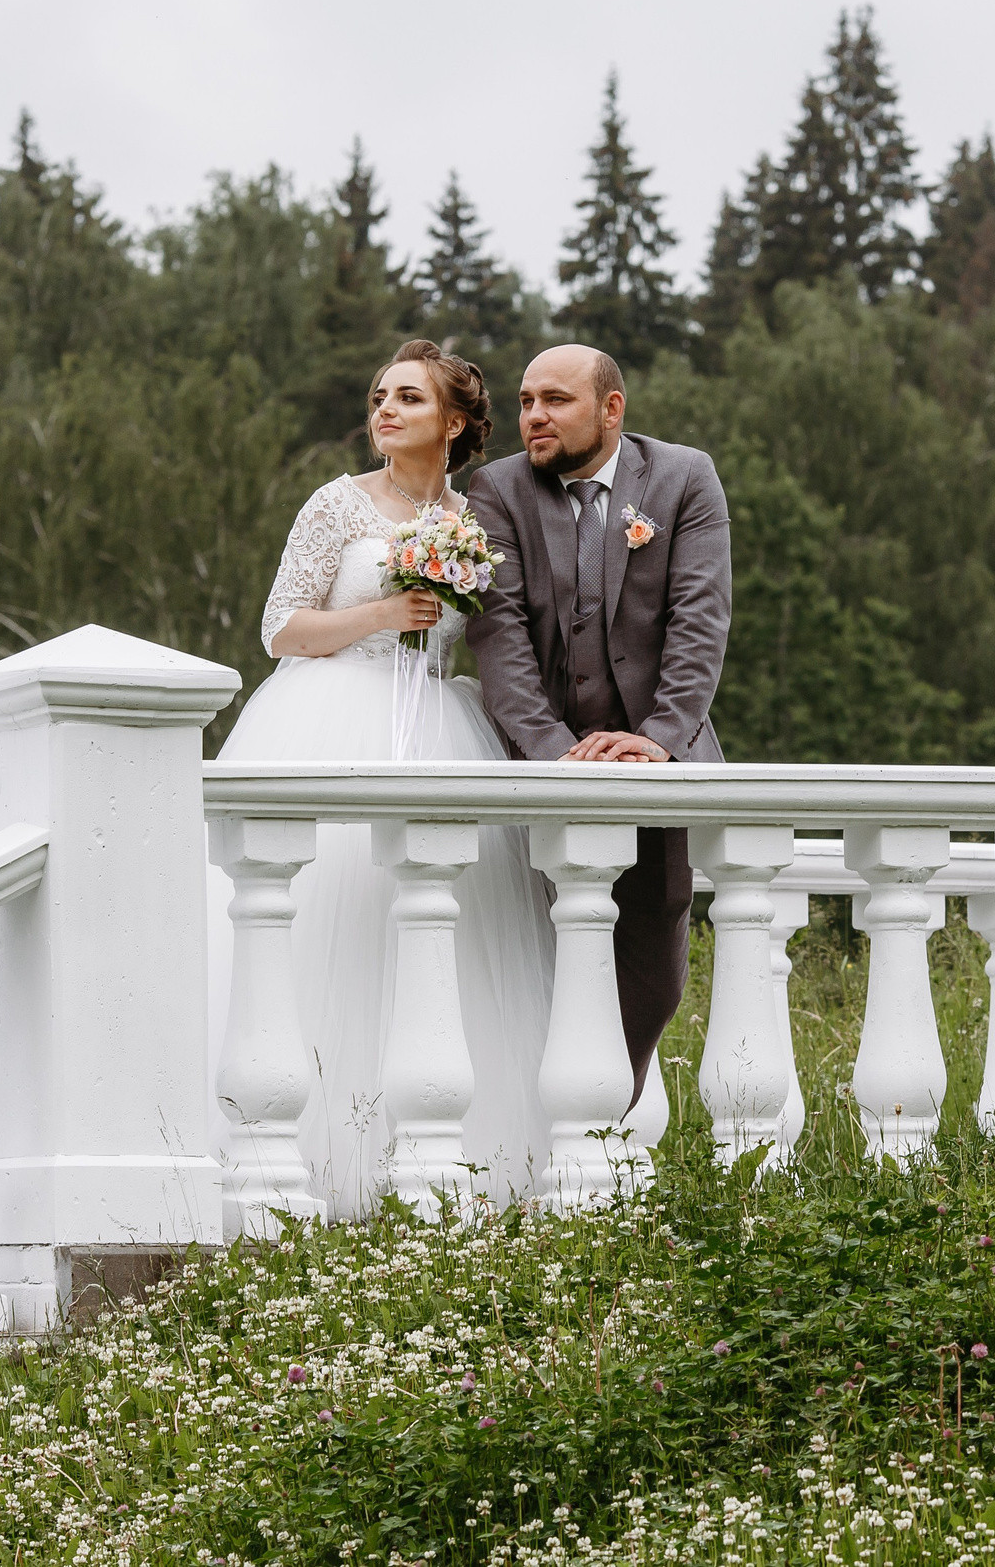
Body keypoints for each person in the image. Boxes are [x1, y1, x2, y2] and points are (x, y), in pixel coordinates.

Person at [211, 339, 555, 1216]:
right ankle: (310, 1159)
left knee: (440, 935)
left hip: (437, 727)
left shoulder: (477, 520)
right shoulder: (337, 504)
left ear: (455, 422)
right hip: (328, 721)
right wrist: (380, 612)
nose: (385, 410)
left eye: (408, 398)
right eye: (378, 397)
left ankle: (458, 1164)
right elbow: (280, 628)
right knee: (328, 919)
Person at [465, 344, 733, 1109]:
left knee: (654, 968)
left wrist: (659, 738)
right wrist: (561, 756)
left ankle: (601, 1130)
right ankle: (543, 1139)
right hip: (536, 765)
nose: (534, 416)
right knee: (532, 960)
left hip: (658, 762)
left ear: (611, 409)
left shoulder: (684, 477)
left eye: (555, 399)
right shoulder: (498, 489)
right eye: (526, 401)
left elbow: (700, 618)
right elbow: (499, 639)